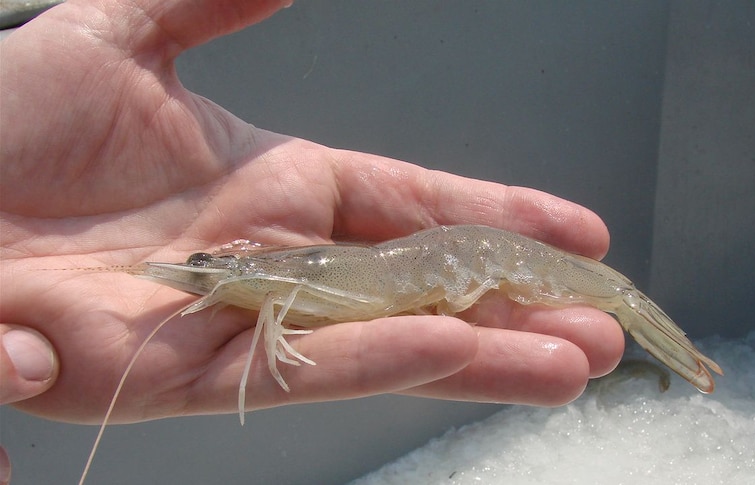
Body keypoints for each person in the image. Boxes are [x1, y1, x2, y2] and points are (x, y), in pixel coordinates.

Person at [0, 0, 623, 479]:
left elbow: (280, 293)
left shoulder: (274, 283)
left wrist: (266, 307)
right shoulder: (260, 272)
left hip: (471, 258)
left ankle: (618, 297)